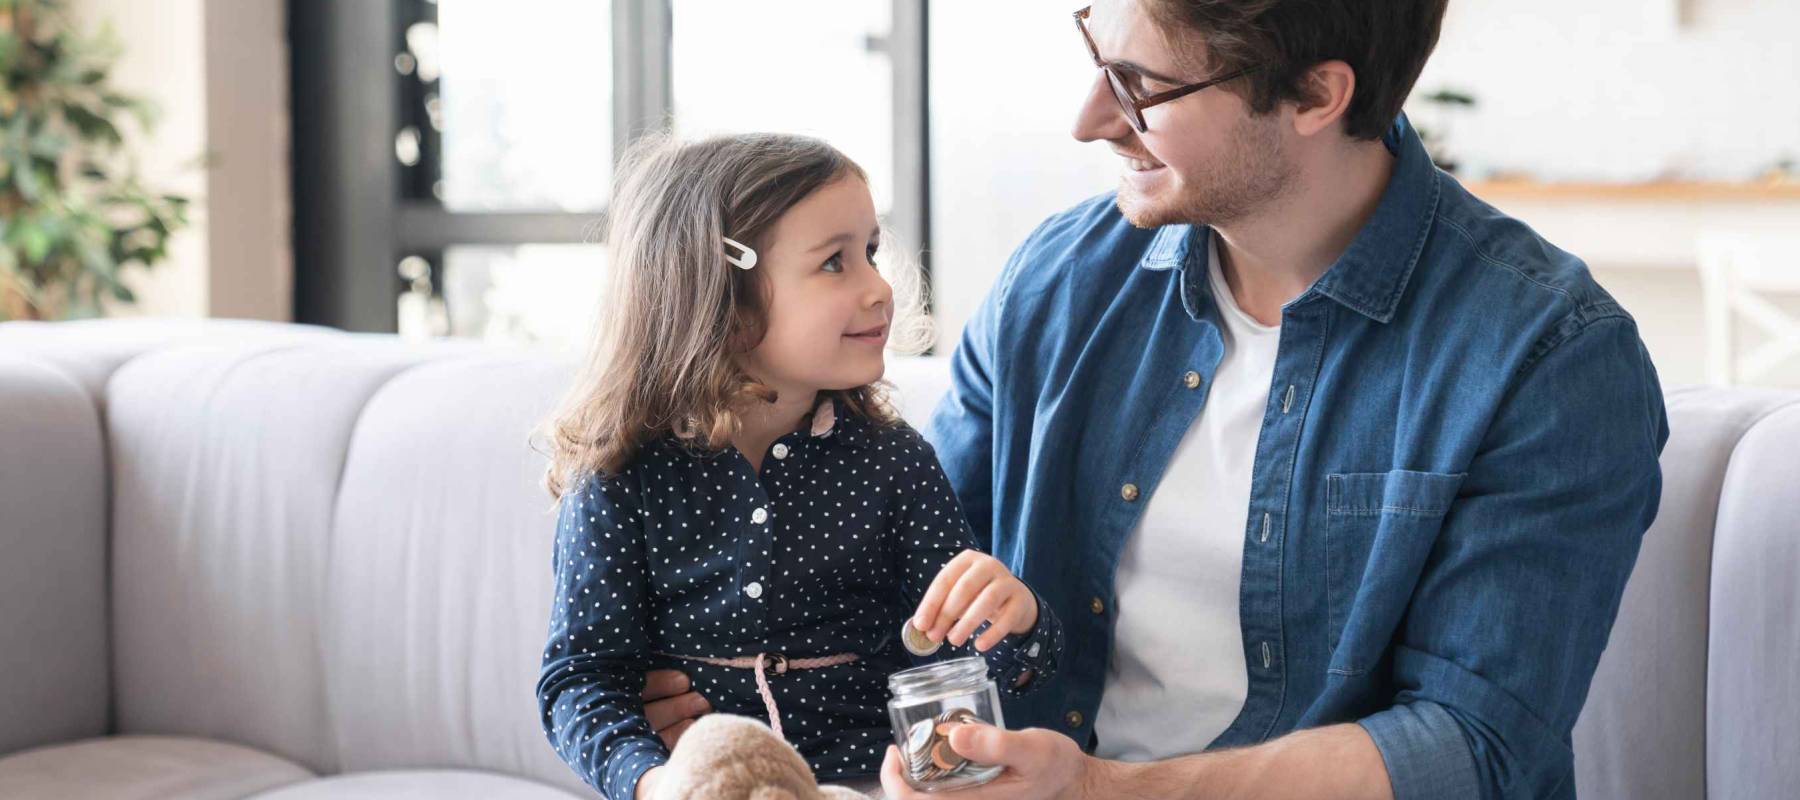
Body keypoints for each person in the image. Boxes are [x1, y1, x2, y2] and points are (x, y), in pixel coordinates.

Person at [877, 1, 1667, 797]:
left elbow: (1473, 748)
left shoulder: (1547, 355)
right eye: (1096, 60)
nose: (1091, 121)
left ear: (1317, 96)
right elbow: (900, 586)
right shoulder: (1057, 281)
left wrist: (1096, 788)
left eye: (1139, 85)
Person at [534, 133, 1064, 800]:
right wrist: (653, 783)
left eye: (869, 252)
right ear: (724, 296)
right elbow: (583, 680)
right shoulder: (621, 475)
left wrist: (1018, 625)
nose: (879, 288)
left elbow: (960, 664)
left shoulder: (895, 463)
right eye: (835, 264)